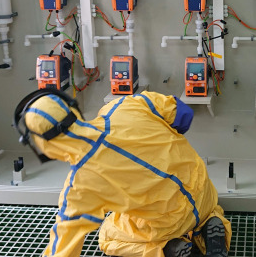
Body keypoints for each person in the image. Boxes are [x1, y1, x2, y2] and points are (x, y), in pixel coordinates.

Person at [13, 88, 231, 257]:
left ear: (42, 144)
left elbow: (63, 248)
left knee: (107, 236)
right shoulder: (123, 105)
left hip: (171, 222)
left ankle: (167, 248)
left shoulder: (80, 188)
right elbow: (183, 115)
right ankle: (212, 221)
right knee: (205, 205)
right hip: (204, 190)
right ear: (72, 108)